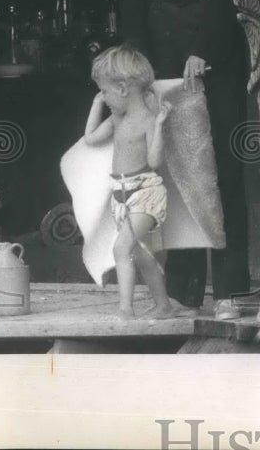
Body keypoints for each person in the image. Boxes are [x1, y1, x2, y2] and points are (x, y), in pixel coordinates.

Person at [119, 0, 257, 319]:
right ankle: (180, 289)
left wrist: (207, 48)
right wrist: (139, 55)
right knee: (168, 170)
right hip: (159, 52)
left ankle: (229, 288)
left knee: (219, 164)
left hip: (213, 48)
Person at [84, 45, 174, 320]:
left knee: (120, 248)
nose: (105, 98)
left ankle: (126, 308)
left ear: (123, 88)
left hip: (145, 192)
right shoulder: (116, 118)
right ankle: (164, 306)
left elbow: (155, 161)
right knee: (142, 254)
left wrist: (159, 126)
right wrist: (96, 105)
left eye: (106, 93)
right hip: (121, 193)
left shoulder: (148, 120)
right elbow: (90, 139)